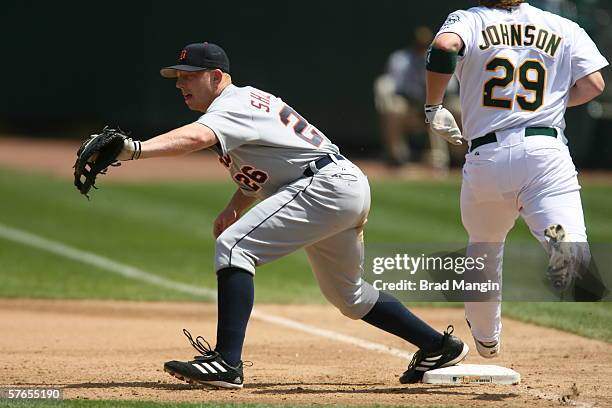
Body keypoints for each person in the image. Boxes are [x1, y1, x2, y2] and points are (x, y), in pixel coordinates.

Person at [112, 42, 468, 388]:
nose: (180, 83)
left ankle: (226, 362)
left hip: (324, 186)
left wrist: (135, 150)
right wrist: (235, 205)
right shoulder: (244, 102)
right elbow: (273, 163)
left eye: (189, 76)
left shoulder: (233, 104)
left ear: (217, 75)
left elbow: (195, 139)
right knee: (349, 296)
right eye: (178, 76)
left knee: (234, 249)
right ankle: (438, 346)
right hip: (338, 186)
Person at [424, 0, 607, 358]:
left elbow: (444, 47)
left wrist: (434, 107)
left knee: (484, 248)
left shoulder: (470, 19)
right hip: (545, 150)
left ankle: (487, 340)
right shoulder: (562, 25)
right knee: (567, 236)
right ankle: (567, 253)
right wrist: (547, 102)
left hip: (487, 156)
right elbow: (594, 84)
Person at [374, 26, 459, 170]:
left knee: (458, 108)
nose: (422, 49)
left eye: (425, 45)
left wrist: (433, 103)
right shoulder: (401, 59)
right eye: (419, 45)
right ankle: (396, 158)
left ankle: (457, 159)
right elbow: (393, 87)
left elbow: (451, 88)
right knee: (392, 109)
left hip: (438, 103)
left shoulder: (440, 58)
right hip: (410, 106)